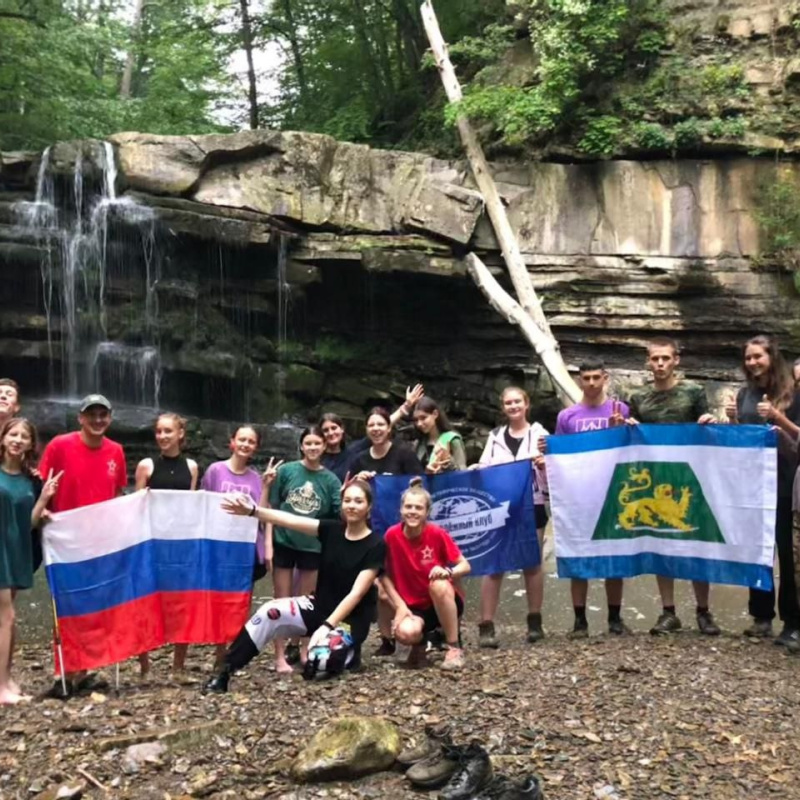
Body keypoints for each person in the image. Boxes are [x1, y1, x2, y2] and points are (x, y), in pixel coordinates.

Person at [203, 478, 385, 693]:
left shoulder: (376, 545)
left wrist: (326, 627)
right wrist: (252, 511)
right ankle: (226, 670)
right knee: (270, 612)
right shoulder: (331, 530)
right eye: (347, 500)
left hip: (350, 621)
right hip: (319, 608)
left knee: (321, 663)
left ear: (369, 507)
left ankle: (350, 656)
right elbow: (289, 520)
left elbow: (356, 594)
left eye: (358, 501)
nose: (352, 506)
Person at [627, 337, 720, 636]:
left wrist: (709, 420)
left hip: (689, 477)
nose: (660, 364)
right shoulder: (639, 397)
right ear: (648, 361)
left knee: (696, 540)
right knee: (660, 541)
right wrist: (628, 427)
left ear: (676, 360)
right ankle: (668, 612)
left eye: (665, 358)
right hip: (656, 478)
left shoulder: (693, 392)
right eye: (655, 359)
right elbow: (633, 438)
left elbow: (706, 429)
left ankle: (703, 611)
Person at [38, 393, 128, 697]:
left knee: (95, 603)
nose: (98, 420)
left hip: (100, 541)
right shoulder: (59, 446)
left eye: (103, 415)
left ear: (110, 418)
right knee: (65, 603)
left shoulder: (116, 451)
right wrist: (44, 509)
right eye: (92, 415)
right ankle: (63, 671)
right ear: (81, 418)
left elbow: (116, 494)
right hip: (66, 540)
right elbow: (41, 483)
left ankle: (85, 668)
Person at [725, 335, 800, 645]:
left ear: (772, 357)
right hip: (753, 483)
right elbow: (741, 438)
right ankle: (761, 616)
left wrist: (778, 417)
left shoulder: (795, 394)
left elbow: (797, 442)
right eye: (748, 358)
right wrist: (730, 421)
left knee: (788, 552)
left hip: (786, 481)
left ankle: (793, 623)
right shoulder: (745, 394)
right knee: (758, 549)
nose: (752, 362)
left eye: (758, 356)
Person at [551, 358, 630, 638]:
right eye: (587, 378)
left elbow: (632, 450)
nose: (592, 383)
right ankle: (580, 621)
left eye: (597, 377)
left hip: (613, 494)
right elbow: (559, 455)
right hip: (579, 497)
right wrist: (544, 452)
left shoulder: (620, 410)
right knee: (578, 556)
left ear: (605, 378)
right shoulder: (568, 416)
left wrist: (622, 429)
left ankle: (615, 618)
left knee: (615, 559)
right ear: (579, 380)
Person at [476, 386, 549, 648]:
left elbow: (557, 470)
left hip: (534, 503)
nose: (513, 406)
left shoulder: (540, 435)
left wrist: (544, 464)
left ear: (527, 404)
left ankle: (534, 621)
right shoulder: (495, 436)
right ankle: (486, 625)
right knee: (495, 564)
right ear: (503, 407)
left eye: (517, 401)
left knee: (532, 563)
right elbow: (484, 468)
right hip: (501, 505)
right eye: (508, 403)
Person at [269, 426, 342, 673]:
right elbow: (272, 506)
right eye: (308, 443)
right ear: (301, 446)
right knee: (280, 600)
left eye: (317, 444)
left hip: (312, 546)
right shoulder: (287, 471)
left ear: (324, 446)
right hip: (283, 541)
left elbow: (336, 517)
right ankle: (279, 656)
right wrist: (268, 543)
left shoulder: (330, 480)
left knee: (307, 602)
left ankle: (303, 649)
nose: (312, 448)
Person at [379, 479, 470, 670]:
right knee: (405, 633)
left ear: (427, 512)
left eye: (418, 508)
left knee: (438, 583)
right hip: (412, 606)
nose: (413, 511)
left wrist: (448, 571)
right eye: (408, 506)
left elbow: (465, 565)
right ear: (401, 510)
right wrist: (400, 606)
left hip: (441, 599)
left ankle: (453, 646)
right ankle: (420, 643)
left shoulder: (437, 533)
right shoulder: (391, 535)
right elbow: (382, 574)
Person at [134, 413, 199, 680]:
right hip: (152, 543)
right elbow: (135, 507)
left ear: (180, 434)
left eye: (168, 431)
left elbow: (194, 506)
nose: (162, 436)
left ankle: (178, 667)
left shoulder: (192, 467)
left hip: (180, 545)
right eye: (159, 432)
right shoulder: (146, 466)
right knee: (146, 602)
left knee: (181, 604)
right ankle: (145, 667)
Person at [0, 418, 59, 703]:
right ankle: (0, 688)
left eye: (24, 436)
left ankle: (7, 679)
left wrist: (44, 497)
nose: (17, 440)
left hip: (15, 549)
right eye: (13, 434)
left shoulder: (29, 480)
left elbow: (30, 523)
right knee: (6, 617)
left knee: (9, 619)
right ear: (2, 438)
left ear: (30, 444)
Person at [201, 425, 269, 668]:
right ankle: (220, 652)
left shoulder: (256, 479)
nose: (245, 445)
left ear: (255, 447)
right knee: (220, 600)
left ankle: (235, 653)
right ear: (232, 442)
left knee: (241, 601)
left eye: (251, 441)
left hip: (246, 549)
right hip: (220, 546)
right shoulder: (215, 471)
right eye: (241, 439)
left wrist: (268, 486)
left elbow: (262, 514)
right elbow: (203, 504)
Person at [320, 384, 424, 481]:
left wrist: (406, 406)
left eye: (334, 428)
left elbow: (379, 428)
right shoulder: (319, 458)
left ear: (342, 429)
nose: (331, 433)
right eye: (325, 430)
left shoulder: (353, 451)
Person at [351, 407, 425, 480]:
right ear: (366, 429)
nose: (375, 429)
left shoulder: (405, 454)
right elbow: (348, 487)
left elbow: (421, 484)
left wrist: (393, 481)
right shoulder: (359, 460)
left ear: (389, 428)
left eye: (380, 424)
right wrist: (358, 482)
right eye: (371, 425)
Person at [412, 397, 467, 474]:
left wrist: (447, 462)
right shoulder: (418, 444)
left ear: (435, 414)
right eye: (416, 420)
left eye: (423, 418)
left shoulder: (452, 440)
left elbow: (463, 473)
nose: (419, 424)